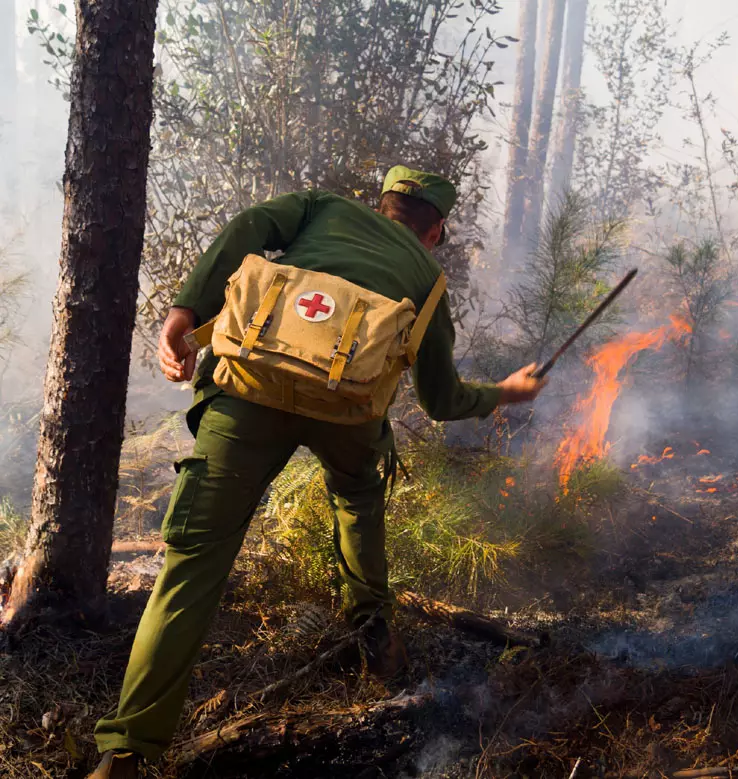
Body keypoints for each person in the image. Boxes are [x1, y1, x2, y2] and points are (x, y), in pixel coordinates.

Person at [87, 165, 547, 778]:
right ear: (435, 229)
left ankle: (124, 751)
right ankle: (377, 637)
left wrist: (183, 313)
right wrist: (506, 393)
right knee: (358, 498)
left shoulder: (321, 206)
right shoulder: (430, 282)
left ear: (380, 203)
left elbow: (248, 225)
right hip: (346, 414)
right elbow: (442, 403)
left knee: (191, 567)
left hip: (250, 389)